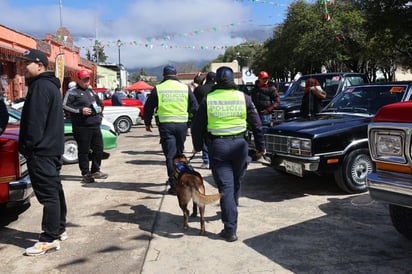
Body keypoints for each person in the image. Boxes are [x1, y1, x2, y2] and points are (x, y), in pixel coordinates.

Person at [191, 66, 265, 242]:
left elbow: (197, 126)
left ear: (217, 81)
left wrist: (198, 146)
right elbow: (257, 125)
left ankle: (230, 229)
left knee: (226, 189)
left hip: (218, 147)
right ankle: (232, 207)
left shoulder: (209, 99)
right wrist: (261, 147)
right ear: (233, 80)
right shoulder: (244, 98)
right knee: (235, 182)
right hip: (240, 146)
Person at [17, 48, 67, 255]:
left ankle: (49, 237)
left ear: (39, 65)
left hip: (41, 151)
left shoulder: (39, 87)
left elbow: (34, 123)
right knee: (55, 190)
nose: (23, 67)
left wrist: (28, 148)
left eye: (26, 63)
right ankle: (59, 228)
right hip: (52, 149)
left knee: (48, 195)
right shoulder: (51, 86)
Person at [143, 65, 198, 195]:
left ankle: (174, 185)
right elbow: (195, 106)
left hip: (166, 125)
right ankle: (182, 180)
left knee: (170, 155)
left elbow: (149, 107)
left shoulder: (159, 88)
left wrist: (147, 123)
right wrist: (191, 122)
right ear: (176, 74)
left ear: (163, 75)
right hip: (182, 125)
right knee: (179, 153)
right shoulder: (185, 88)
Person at [62, 69, 108, 184]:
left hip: (95, 124)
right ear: (79, 80)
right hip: (81, 126)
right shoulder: (72, 92)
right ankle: (86, 173)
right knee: (84, 151)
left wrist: (101, 110)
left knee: (98, 149)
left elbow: (100, 104)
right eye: (84, 79)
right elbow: (64, 105)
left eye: (88, 79)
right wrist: (80, 111)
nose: (86, 82)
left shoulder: (91, 91)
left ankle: (95, 170)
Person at [193, 71, 216, 169]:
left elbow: (194, 102)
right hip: (214, 116)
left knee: (203, 138)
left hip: (201, 116)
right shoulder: (216, 90)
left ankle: (206, 160)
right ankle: (213, 159)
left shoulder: (199, 89)